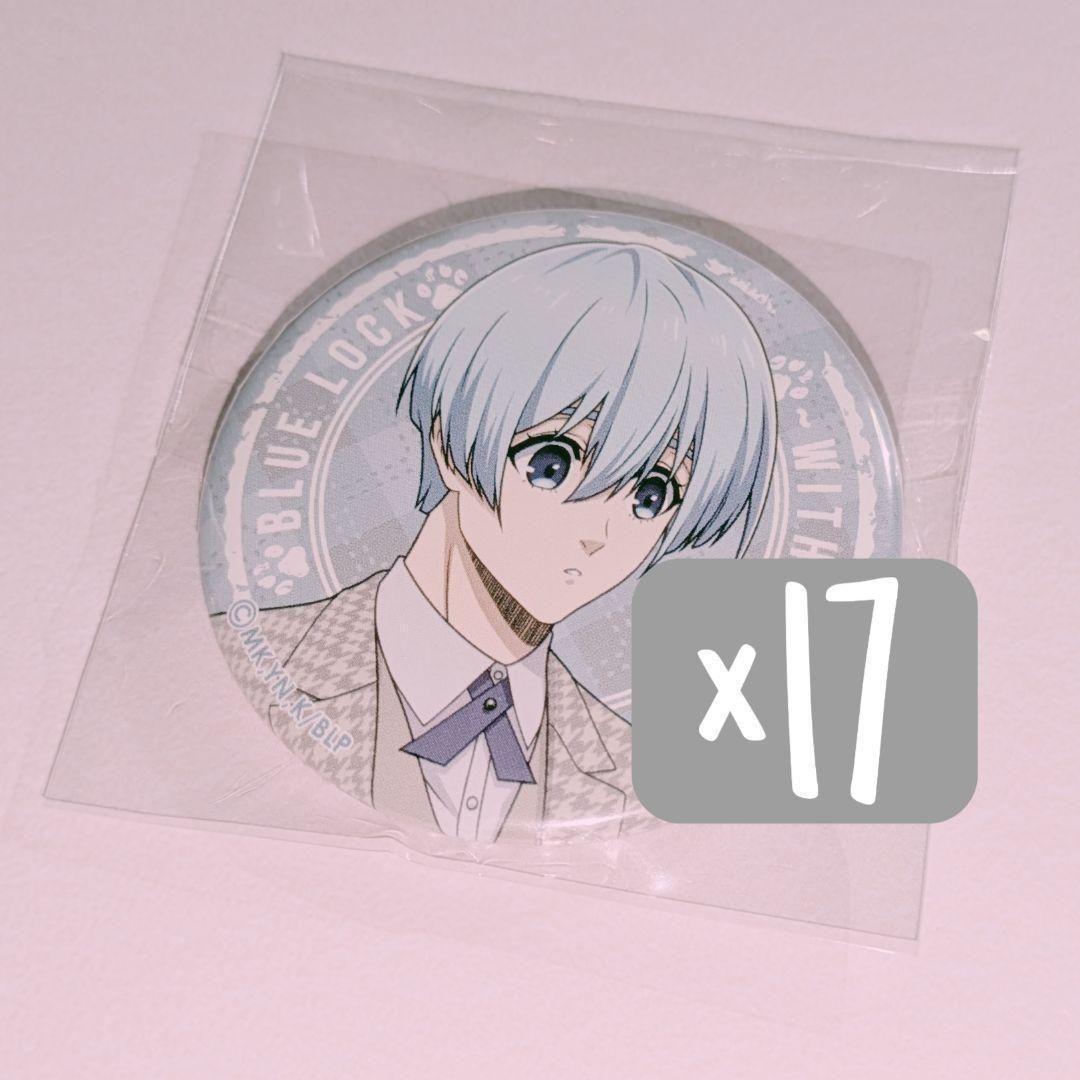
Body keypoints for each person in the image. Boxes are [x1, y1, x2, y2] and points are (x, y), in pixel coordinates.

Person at [213, 241, 777, 843]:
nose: (600, 535)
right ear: (447, 441)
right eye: (552, 465)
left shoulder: (632, 769)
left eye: (651, 497)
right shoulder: (265, 655)